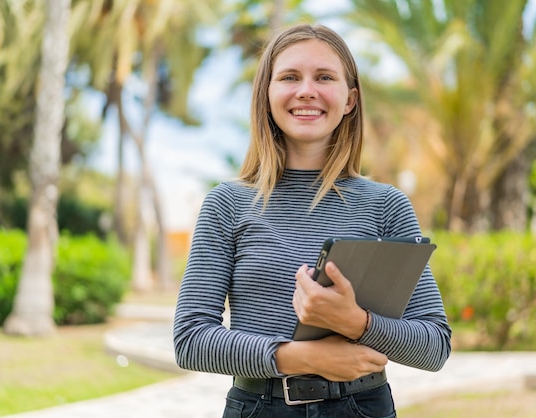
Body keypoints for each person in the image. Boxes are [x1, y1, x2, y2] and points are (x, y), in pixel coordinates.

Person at [173, 23, 452, 417]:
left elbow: (434, 345)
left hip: (362, 407)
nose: (307, 90)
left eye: (324, 77)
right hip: (260, 407)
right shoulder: (227, 204)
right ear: (266, 95)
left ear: (350, 99)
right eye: (289, 77)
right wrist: (299, 357)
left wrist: (356, 322)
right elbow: (190, 340)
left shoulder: (386, 205)